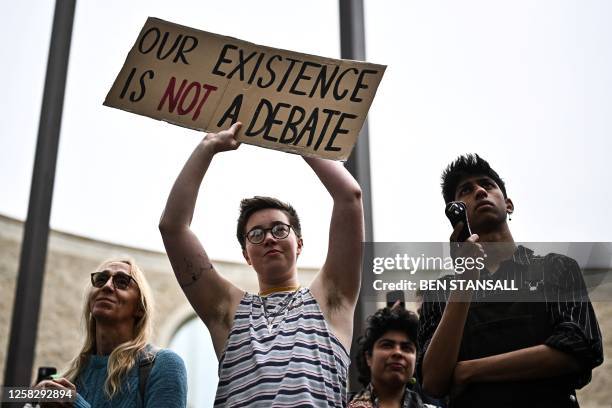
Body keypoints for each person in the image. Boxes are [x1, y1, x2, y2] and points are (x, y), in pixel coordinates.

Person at [159, 122, 364, 407]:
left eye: (280, 229)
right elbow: (172, 227)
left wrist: (298, 138)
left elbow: (349, 197)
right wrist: (207, 148)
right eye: (256, 234)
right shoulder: (226, 309)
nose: (269, 238)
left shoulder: (331, 299)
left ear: (299, 244)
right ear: (246, 254)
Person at [417, 154, 603, 407]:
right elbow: (433, 381)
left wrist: (469, 371)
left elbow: (579, 348)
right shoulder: (440, 292)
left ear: (509, 204)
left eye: (487, 184)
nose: (480, 191)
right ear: (455, 214)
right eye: (466, 190)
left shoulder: (557, 268)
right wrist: (466, 278)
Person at [34, 258, 187, 408]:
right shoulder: (69, 377)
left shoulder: (163, 365)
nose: (107, 286)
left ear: (140, 308)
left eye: (122, 281)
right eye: (101, 279)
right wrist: (31, 396)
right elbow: (11, 394)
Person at [350, 306, 438, 408]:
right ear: (368, 357)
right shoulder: (338, 403)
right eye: (387, 345)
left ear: (415, 363)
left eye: (406, 348)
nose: (398, 352)